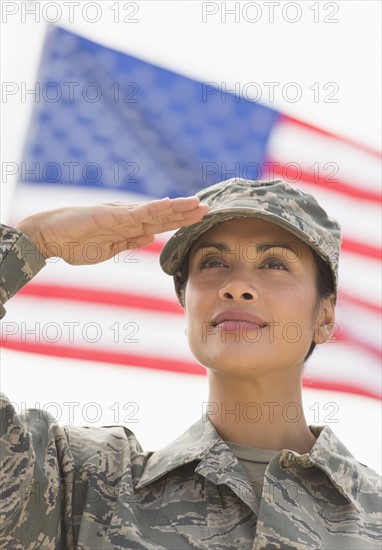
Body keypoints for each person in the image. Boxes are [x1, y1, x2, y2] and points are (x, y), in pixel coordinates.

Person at [0, 178, 380, 549]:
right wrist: (35, 241)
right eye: (212, 262)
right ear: (187, 305)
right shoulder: (85, 484)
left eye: (274, 264)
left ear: (325, 317)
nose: (236, 286)